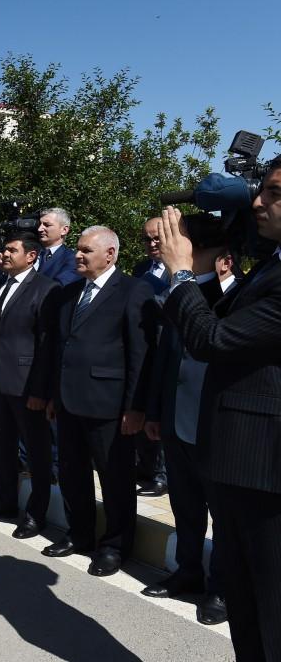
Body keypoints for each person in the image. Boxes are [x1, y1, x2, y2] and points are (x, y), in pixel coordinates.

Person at [157, 158, 281, 660]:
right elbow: (224, 315)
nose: (258, 202)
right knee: (248, 612)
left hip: (267, 471)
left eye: (274, 193)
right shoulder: (271, 264)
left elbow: (214, 339)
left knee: (271, 613)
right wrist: (202, 268)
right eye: (261, 190)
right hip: (240, 464)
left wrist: (182, 274)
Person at [43, 226, 155, 578]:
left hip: (110, 405)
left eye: (85, 250)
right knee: (72, 472)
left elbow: (140, 353)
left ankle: (115, 546)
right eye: (77, 249)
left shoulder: (134, 291)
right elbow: (60, 348)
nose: (77, 255)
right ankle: (79, 533)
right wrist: (53, 394)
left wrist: (135, 407)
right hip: (69, 400)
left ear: (110, 254)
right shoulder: (70, 292)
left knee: (115, 478)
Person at [141, 215, 232, 626]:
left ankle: (222, 590)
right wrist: (156, 412)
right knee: (185, 506)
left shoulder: (239, 298)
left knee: (224, 517)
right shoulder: (183, 296)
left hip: (218, 427)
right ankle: (188, 570)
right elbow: (166, 357)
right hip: (177, 419)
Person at [0, 233, 58, 538]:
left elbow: (47, 345)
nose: (5, 254)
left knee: (36, 453)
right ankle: (4, 501)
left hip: (27, 386)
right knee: (1, 447)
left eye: (12, 250)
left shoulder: (47, 289)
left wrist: (40, 390)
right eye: (4, 249)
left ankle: (36, 514)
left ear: (31, 256)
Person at [132, 216, 170, 498]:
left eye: (157, 237)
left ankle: (162, 474)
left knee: (161, 412)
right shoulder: (141, 269)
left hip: (166, 350)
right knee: (142, 408)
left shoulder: (183, 268)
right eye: (147, 239)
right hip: (143, 349)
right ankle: (145, 468)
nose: (152, 243)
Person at [36, 208, 80, 285]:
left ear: (64, 230)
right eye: (39, 224)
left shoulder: (73, 260)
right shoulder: (29, 252)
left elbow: (58, 286)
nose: (39, 229)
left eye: (47, 225)